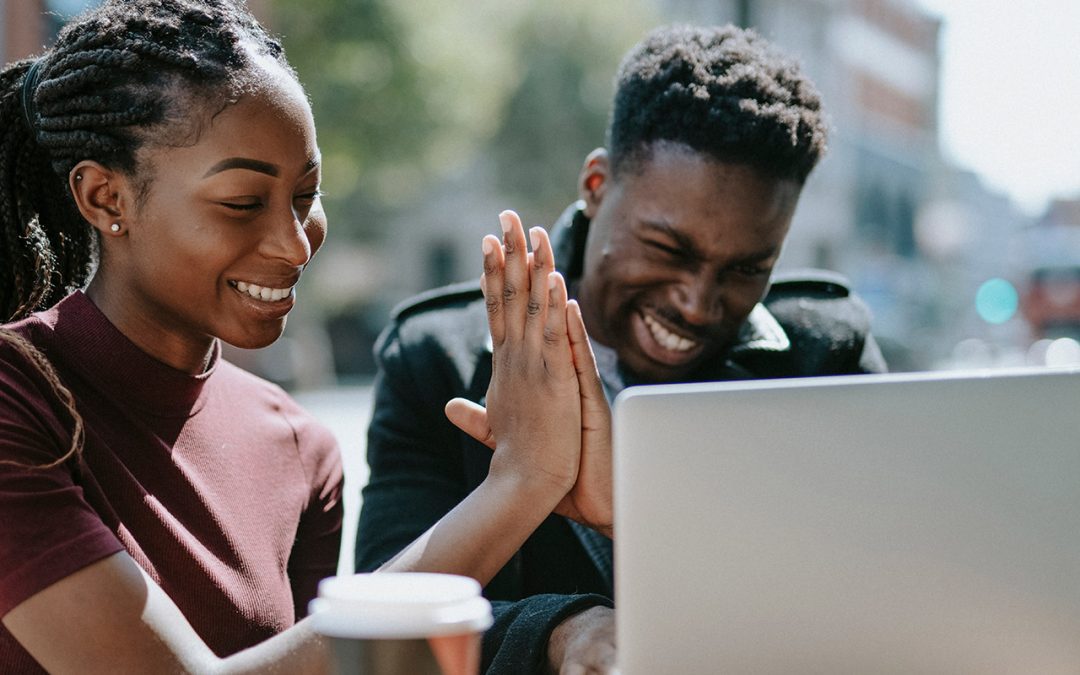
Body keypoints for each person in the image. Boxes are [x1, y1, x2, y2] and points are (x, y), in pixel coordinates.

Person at [0, 1, 597, 672]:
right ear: (106, 198)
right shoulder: (18, 397)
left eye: (306, 194)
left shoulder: (300, 447)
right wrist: (518, 483)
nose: (293, 243)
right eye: (243, 203)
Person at [356, 23, 888, 675]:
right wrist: (557, 630)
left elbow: (870, 603)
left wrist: (636, 518)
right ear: (597, 184)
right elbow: (384, 626)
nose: (697, 302)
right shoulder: (434, 359)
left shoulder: (825, 357)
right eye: (669, 250)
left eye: (748, 268)